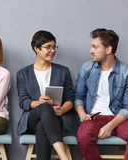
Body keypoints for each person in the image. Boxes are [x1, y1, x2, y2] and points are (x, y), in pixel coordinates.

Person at [75, 28, 128, 160]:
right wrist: (82, 114)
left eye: (95, 47)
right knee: (83, 136)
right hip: (93, 118)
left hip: (118, 118)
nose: (91, 51)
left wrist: (110, 126)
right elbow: (78, 97)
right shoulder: (87, 68)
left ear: (108, 50)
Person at [16, 30, 78, 160]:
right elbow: (23, 101)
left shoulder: (63, 71)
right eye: (48, 47)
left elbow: (70, 99)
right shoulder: (23, 73)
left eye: (54, 47)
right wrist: (38, 103)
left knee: (42, 126)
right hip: (32, 117)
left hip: (58, 118)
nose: (53, 50)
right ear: (36, 49)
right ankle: (64, 157)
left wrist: (61, 110)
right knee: (44, 107)